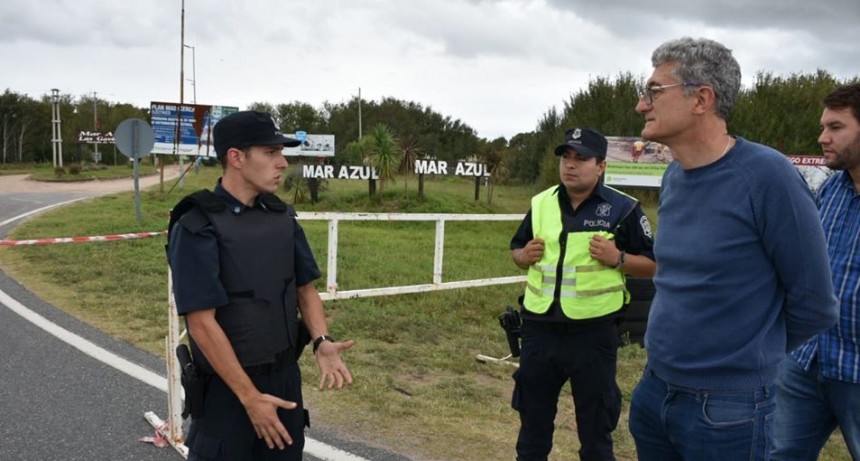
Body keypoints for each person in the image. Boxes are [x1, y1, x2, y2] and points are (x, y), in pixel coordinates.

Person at [627, 37, 840, 461]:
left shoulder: (767, 177)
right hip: (654, 391)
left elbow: (815, 303)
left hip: (728, 409)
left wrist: (745, 360)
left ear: (701, 98)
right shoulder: (674, 177)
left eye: (653, 92)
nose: (641, 105)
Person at [167, 110, 354, 461]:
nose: (282, 163)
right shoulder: (197, 226)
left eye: (281, 153)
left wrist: (322, 341)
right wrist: (250, 398)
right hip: (227, 390)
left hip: (284, 380)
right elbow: (201, 323)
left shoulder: (281, 217)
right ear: (236, 157)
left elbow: (305, 290)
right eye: (271, 153)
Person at [509, 127, 656, 461]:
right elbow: (517, 249)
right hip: (539, 331)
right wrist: (523, 255)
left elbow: (652, 265)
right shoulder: (541, 203)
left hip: (593, 335)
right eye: (566, 157)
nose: (570, 165)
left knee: (595, 434)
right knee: (532, 430)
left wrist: (617, 258)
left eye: (581, 158)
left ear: (601, 166)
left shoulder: (624, 209)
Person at [771, 83, 860, 460]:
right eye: (824, 127)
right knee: (777, 454)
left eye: (836, 127)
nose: (823, 137)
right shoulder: (831, 190)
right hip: (808, 358)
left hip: (856, 367)